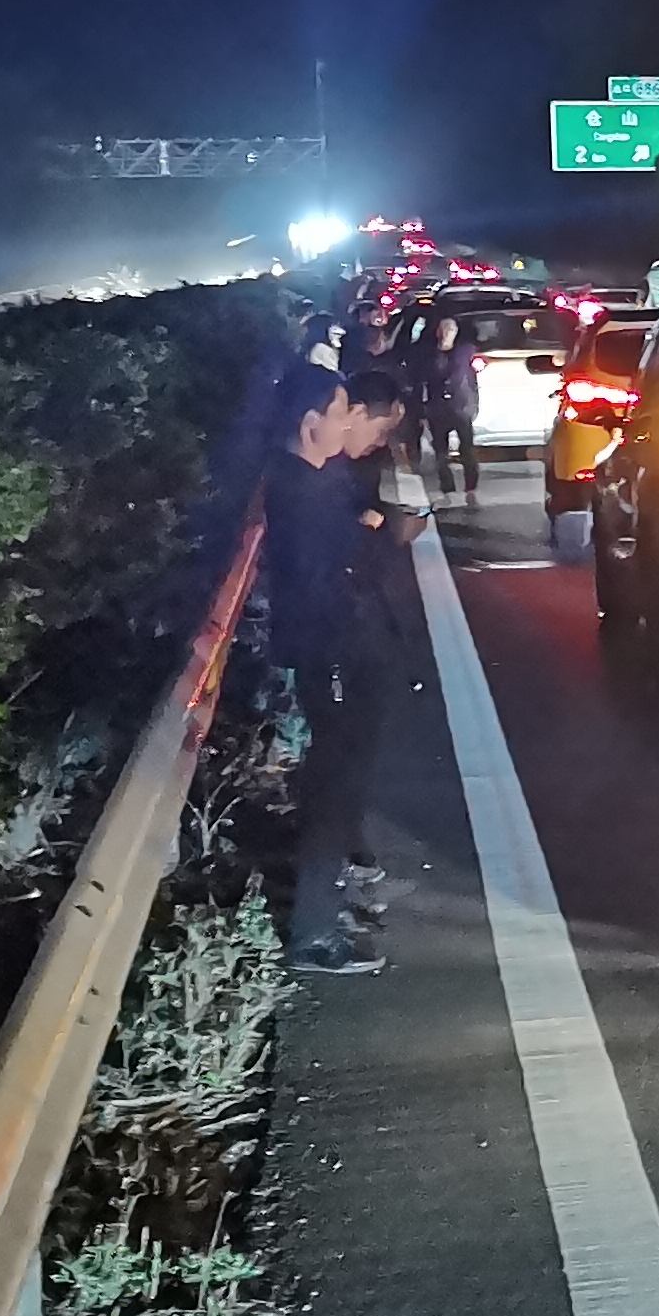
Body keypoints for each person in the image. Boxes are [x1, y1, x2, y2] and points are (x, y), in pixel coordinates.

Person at [266, 366, 414, 975]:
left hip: (350, 647)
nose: (348, 419)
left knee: (345, 775)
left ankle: (331, 904)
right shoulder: (297, 491)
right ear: (310, 425)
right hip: (333, 651)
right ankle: (313, 934)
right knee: (331, 783)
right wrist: (379, 542)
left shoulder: (321, 479)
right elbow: (325, 579)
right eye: (339, 410)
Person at [416, 313, 479, 502]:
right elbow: (422, 382)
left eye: (450, 330)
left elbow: (473, 379)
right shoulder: (428, 355)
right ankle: (447, 485)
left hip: (461, 406)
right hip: (437, 408)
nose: (446, 333)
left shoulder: (466, 351)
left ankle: (471, 484)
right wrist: (423, 410)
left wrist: (474, 404)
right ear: (437, 332)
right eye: (444, 329)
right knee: (441, 450)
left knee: (467, 448)